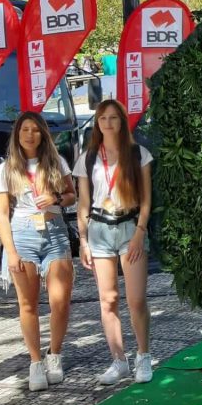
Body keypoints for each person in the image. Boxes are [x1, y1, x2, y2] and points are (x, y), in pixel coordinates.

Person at [0, 112, 77, 392]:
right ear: (17, 134)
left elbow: (71, 195)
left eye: (35, 130)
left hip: (55, 233)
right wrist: (11, 251)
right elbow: (2, 215)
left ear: (43, 134)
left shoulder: (56, 161)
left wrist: (54, 197)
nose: (30, 134)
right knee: (27, 304)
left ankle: (55, 354)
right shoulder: (4, 169)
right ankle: (35, 361)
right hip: (22, 236)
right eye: (25, 129)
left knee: (60, 301)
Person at [75, 99, 154, 386]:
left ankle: (143, 356)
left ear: (122, 121)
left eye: (113, 117)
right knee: (108, 299)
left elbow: (146, 200)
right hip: (99, 229)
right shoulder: (88, 157)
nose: (108, 123)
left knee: (136, 299)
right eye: (103, 118)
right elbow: (83, 203)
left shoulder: (138, 154)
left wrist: (139, 232)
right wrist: (83, 240)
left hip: (129, 226)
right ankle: (118, 360)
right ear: (97, 123)